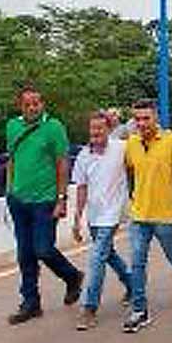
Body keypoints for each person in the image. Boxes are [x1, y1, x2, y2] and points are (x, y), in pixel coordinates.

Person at [4, 84, 85, 325]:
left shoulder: (53, 127)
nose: (32, 108)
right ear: (20, 106)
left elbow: (62, 163)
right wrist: (9, 191)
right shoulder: (13, 126)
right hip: (19, 199)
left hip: (45, 200)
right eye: (27, 104)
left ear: (43, 104)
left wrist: (61, 199)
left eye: (36, 103)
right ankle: (30, 302)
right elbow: (12, 159)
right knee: (24, 254)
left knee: (43, 249)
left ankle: (72, 277)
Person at [122, 98, 172, 333]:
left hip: (165, 214)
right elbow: (129, 171)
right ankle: (139, 310)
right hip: (139, 215)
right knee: (137, 262)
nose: (142, 123)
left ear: (156, 118)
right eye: (138, 119)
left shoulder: (171, 141)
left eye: (146, 118)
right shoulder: (131, 144)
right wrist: (132, 196)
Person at [71, 111, 132, 331]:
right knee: (108, 254)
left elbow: (140, 132)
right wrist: (77, 218)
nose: (96, 132)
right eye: (93, 128)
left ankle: (89, 307)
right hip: (94, 215)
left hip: (113, 213)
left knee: (97, 257)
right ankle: (134, 284)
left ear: (109, 129)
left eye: (101, 128)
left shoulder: (121, 147)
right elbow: (81, 188)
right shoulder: (83, 156)